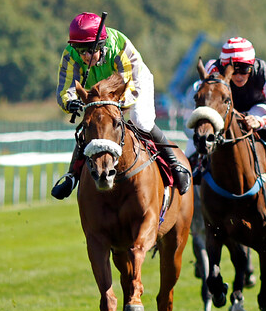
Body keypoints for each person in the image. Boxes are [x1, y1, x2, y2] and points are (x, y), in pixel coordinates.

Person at [51, 12, 191, 199]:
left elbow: (130, 86)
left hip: (132, 82)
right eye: (80, 50)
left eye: (89, 50)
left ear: (101, 45)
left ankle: (174, 163)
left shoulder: (120, 47)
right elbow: (65, 87)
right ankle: (72, 176)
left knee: (140, 121)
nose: (85, 56)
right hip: (99, 92)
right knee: (92, 126)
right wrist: (70, 103)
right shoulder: (71, 55)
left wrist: (114, 106)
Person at [202, 37, 266, 181]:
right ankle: (193, 162)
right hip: (224, 109)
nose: (238, 76)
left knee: (261, 111)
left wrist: (260, 122)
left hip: (257, 108)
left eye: (244, 69)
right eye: (232, 71)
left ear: (252, 64)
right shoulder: (213, 69)